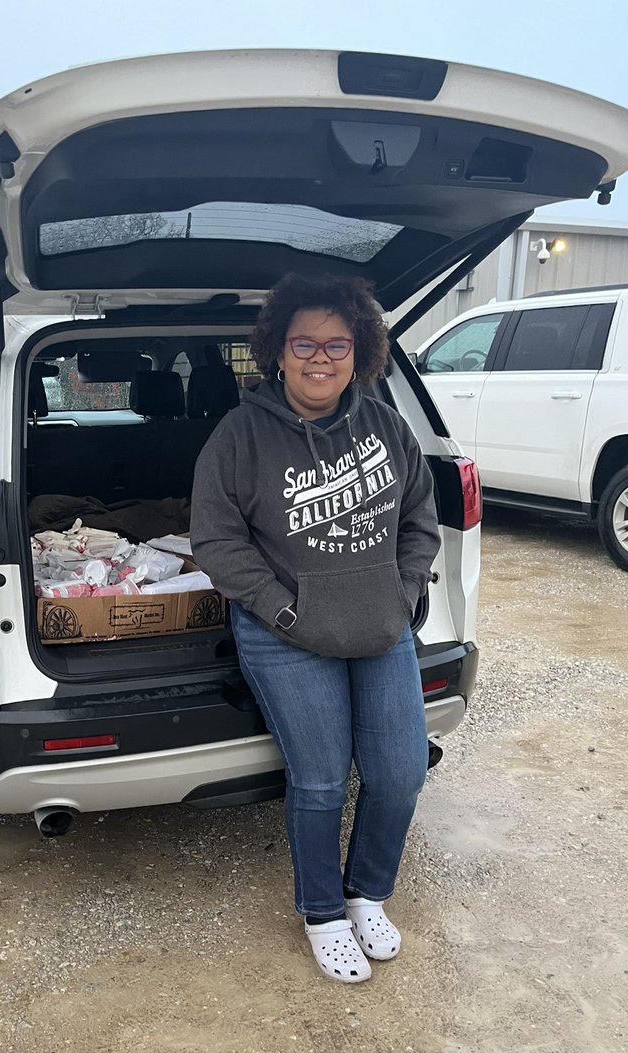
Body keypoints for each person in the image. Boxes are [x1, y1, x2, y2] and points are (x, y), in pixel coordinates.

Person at [190, 273, 441, 984]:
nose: (321, 357)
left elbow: (421, 520)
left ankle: (367, 895)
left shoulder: (388, 427)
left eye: (338, 343)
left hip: (379, 624)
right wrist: (281, 608)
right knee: (323, 780)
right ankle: (324, 912)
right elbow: (215, 539)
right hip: (287, 634)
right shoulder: (239, 436)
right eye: (305, 343)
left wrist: (405, 589)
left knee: (399, 774)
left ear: (359, 350)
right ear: (278, 350)